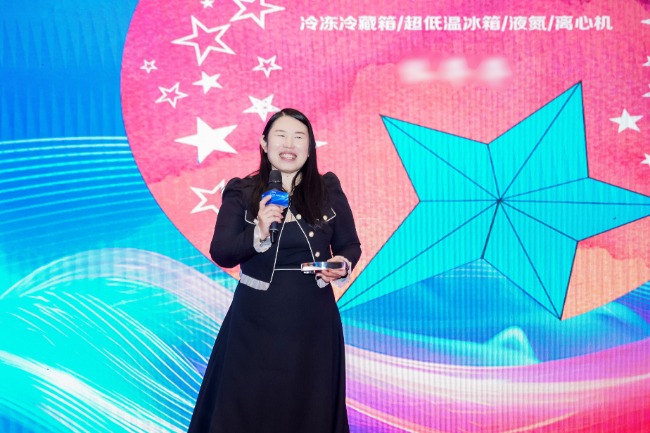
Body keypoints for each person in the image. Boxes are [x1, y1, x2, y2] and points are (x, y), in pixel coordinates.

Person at [188, 108, 362, 433]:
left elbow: (350, 245)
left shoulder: (328, 190)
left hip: (315, 323)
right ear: (265, 143)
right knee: (248, 410)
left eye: (299, 137)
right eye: (281, 136)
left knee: (310, 410)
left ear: (310, 147)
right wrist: (258, 231)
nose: (289, 144)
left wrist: (342, 264)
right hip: (255, 322)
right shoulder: (242, 192)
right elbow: (222, 252)